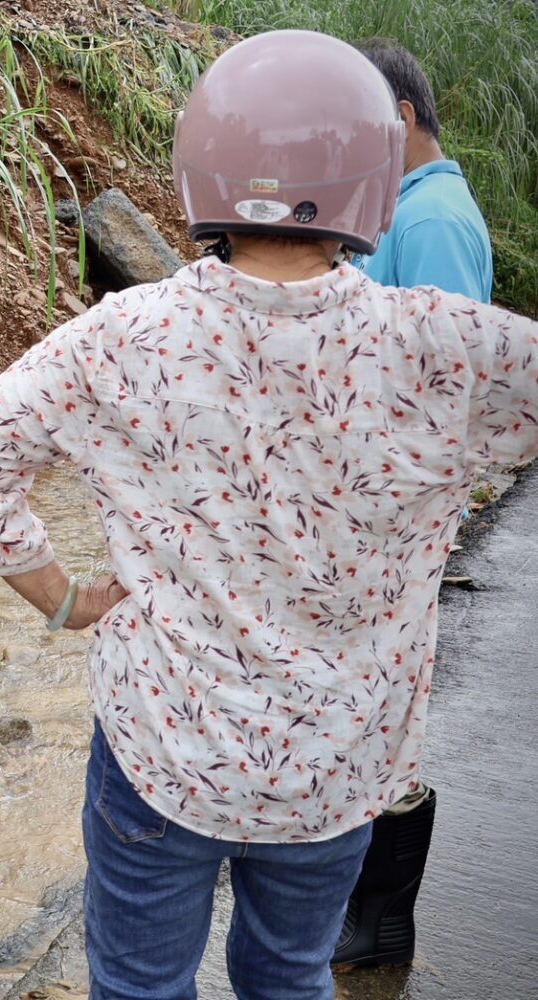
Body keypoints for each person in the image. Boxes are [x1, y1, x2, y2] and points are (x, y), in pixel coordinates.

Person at [0, 30, 538, 1000]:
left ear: (200, 170)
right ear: (376, 171)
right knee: (289, 974)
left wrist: (61, 598)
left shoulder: (125, 336)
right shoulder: (440, 344)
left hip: (164, 752)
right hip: (338, 769)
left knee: (138, 986)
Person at [330, 36, 496, 970]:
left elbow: (442, 394)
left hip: (394, 519)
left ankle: (383, 921)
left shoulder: (432, 222)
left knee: (385, 722)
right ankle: (371, 915)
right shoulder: (408, 208)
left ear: (396, 120)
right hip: (378, 514)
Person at [355, 37, 494, 303]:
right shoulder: (414, 205)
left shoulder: (432, 221)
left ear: (402, 119)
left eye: (354, 122)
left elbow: (448, 342)